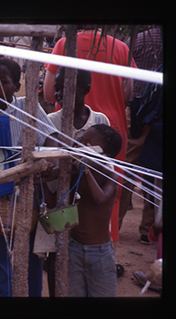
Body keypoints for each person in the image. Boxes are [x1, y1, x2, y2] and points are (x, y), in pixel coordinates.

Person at [0, 57, 58, 297]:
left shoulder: (28, 107)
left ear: (17, 86)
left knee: (30, 252)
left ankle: (32, 295)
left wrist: (50, 159)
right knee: (1, 252)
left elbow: (50, 138)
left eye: (3, 82)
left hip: (28, 191)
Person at [43, 27, 137, 252]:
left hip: (95, 127)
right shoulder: (121, 47)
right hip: (110, 127)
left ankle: (82, 248)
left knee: (90, 188)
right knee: (109, 189)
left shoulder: (64, 44)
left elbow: (48, 93)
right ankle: (104, 245)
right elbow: (128, 93)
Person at [44, 66, 111, 295]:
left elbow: (105, 163)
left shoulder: (100, 121)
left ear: (86, 89)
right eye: (57, 88)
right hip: (57, 202)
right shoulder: (50, 121)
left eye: (67, 88)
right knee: (55, 259)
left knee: (81, 261)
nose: (60, 93)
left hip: (87, 208)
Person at [66, 124, 123, 297]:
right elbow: (60, 200)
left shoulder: (111, 174)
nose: (80, 146)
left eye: (87, 143)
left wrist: (87, 171)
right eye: (80, 141)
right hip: (74, 248)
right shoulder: (75, 173)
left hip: (100, 254)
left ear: (104, 152)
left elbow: (100, 199)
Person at [119, 26, 163, 245]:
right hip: (160, 113)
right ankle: (150, 229)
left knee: (128, 165)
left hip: (137, 108)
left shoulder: (138, 39)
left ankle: (115, 223)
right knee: (157, 172)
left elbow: (125, 77)